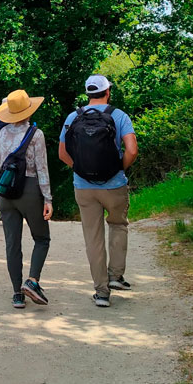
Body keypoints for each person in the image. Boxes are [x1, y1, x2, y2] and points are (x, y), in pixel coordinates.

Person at [58, 75, 138, 308]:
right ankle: (115, 276)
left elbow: (62, 154)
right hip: (114, 185)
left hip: (84, 187)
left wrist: (81, 170)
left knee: (93, 237)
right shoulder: (119, 115)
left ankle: (102, 293)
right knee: (118, 225)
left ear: (88, 93)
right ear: (108, 92)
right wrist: (117, 169)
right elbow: (132, 150)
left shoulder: (73, 117)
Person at [0, 89, 53, 309]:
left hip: (6, 192)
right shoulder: (36, 134)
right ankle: (32, 281)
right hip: (30, 189)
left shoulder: (2, 133)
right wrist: (48, 199)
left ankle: (17, 294)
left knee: (12, 244)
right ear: (28, 110)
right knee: (41, 238)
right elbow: (42, 169)